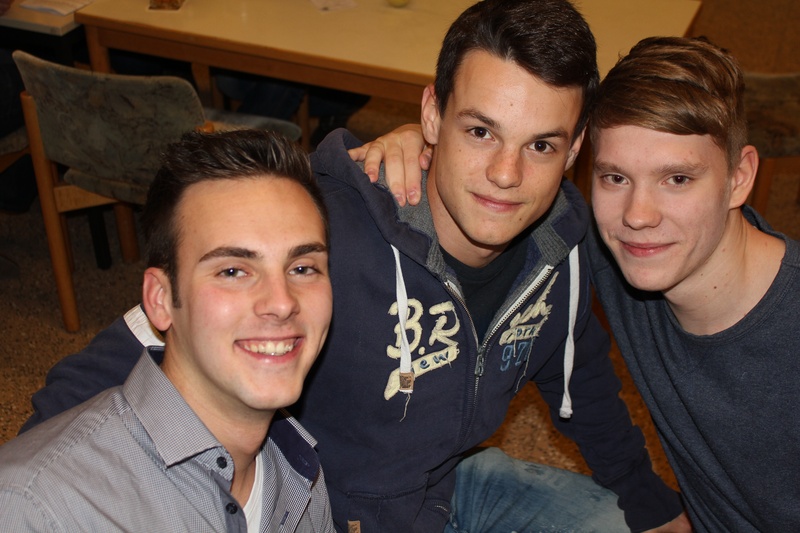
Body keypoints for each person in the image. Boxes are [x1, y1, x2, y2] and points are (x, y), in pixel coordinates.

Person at [18, 2, 687, 531]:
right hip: (329, 510)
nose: (506, 175)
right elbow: (137, 349)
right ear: (432, 116)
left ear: (575, 148)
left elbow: (583, 383)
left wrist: (651, 503)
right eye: (480, 131)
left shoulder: (562, 248)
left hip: (447, 482)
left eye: (540, 145)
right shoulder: (325, 228)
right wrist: (37, 492)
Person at [354, 35, 800, 532]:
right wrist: (422, 141)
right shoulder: (606, 253)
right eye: (615, 178)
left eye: (678, 179)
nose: (639, 216)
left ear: (740, 177)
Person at [0, 130, 335, 531]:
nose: (281, 302)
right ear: (159, 300)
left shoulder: (300, 471)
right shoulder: (37, 510)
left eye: (303, 268)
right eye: (232, 271)